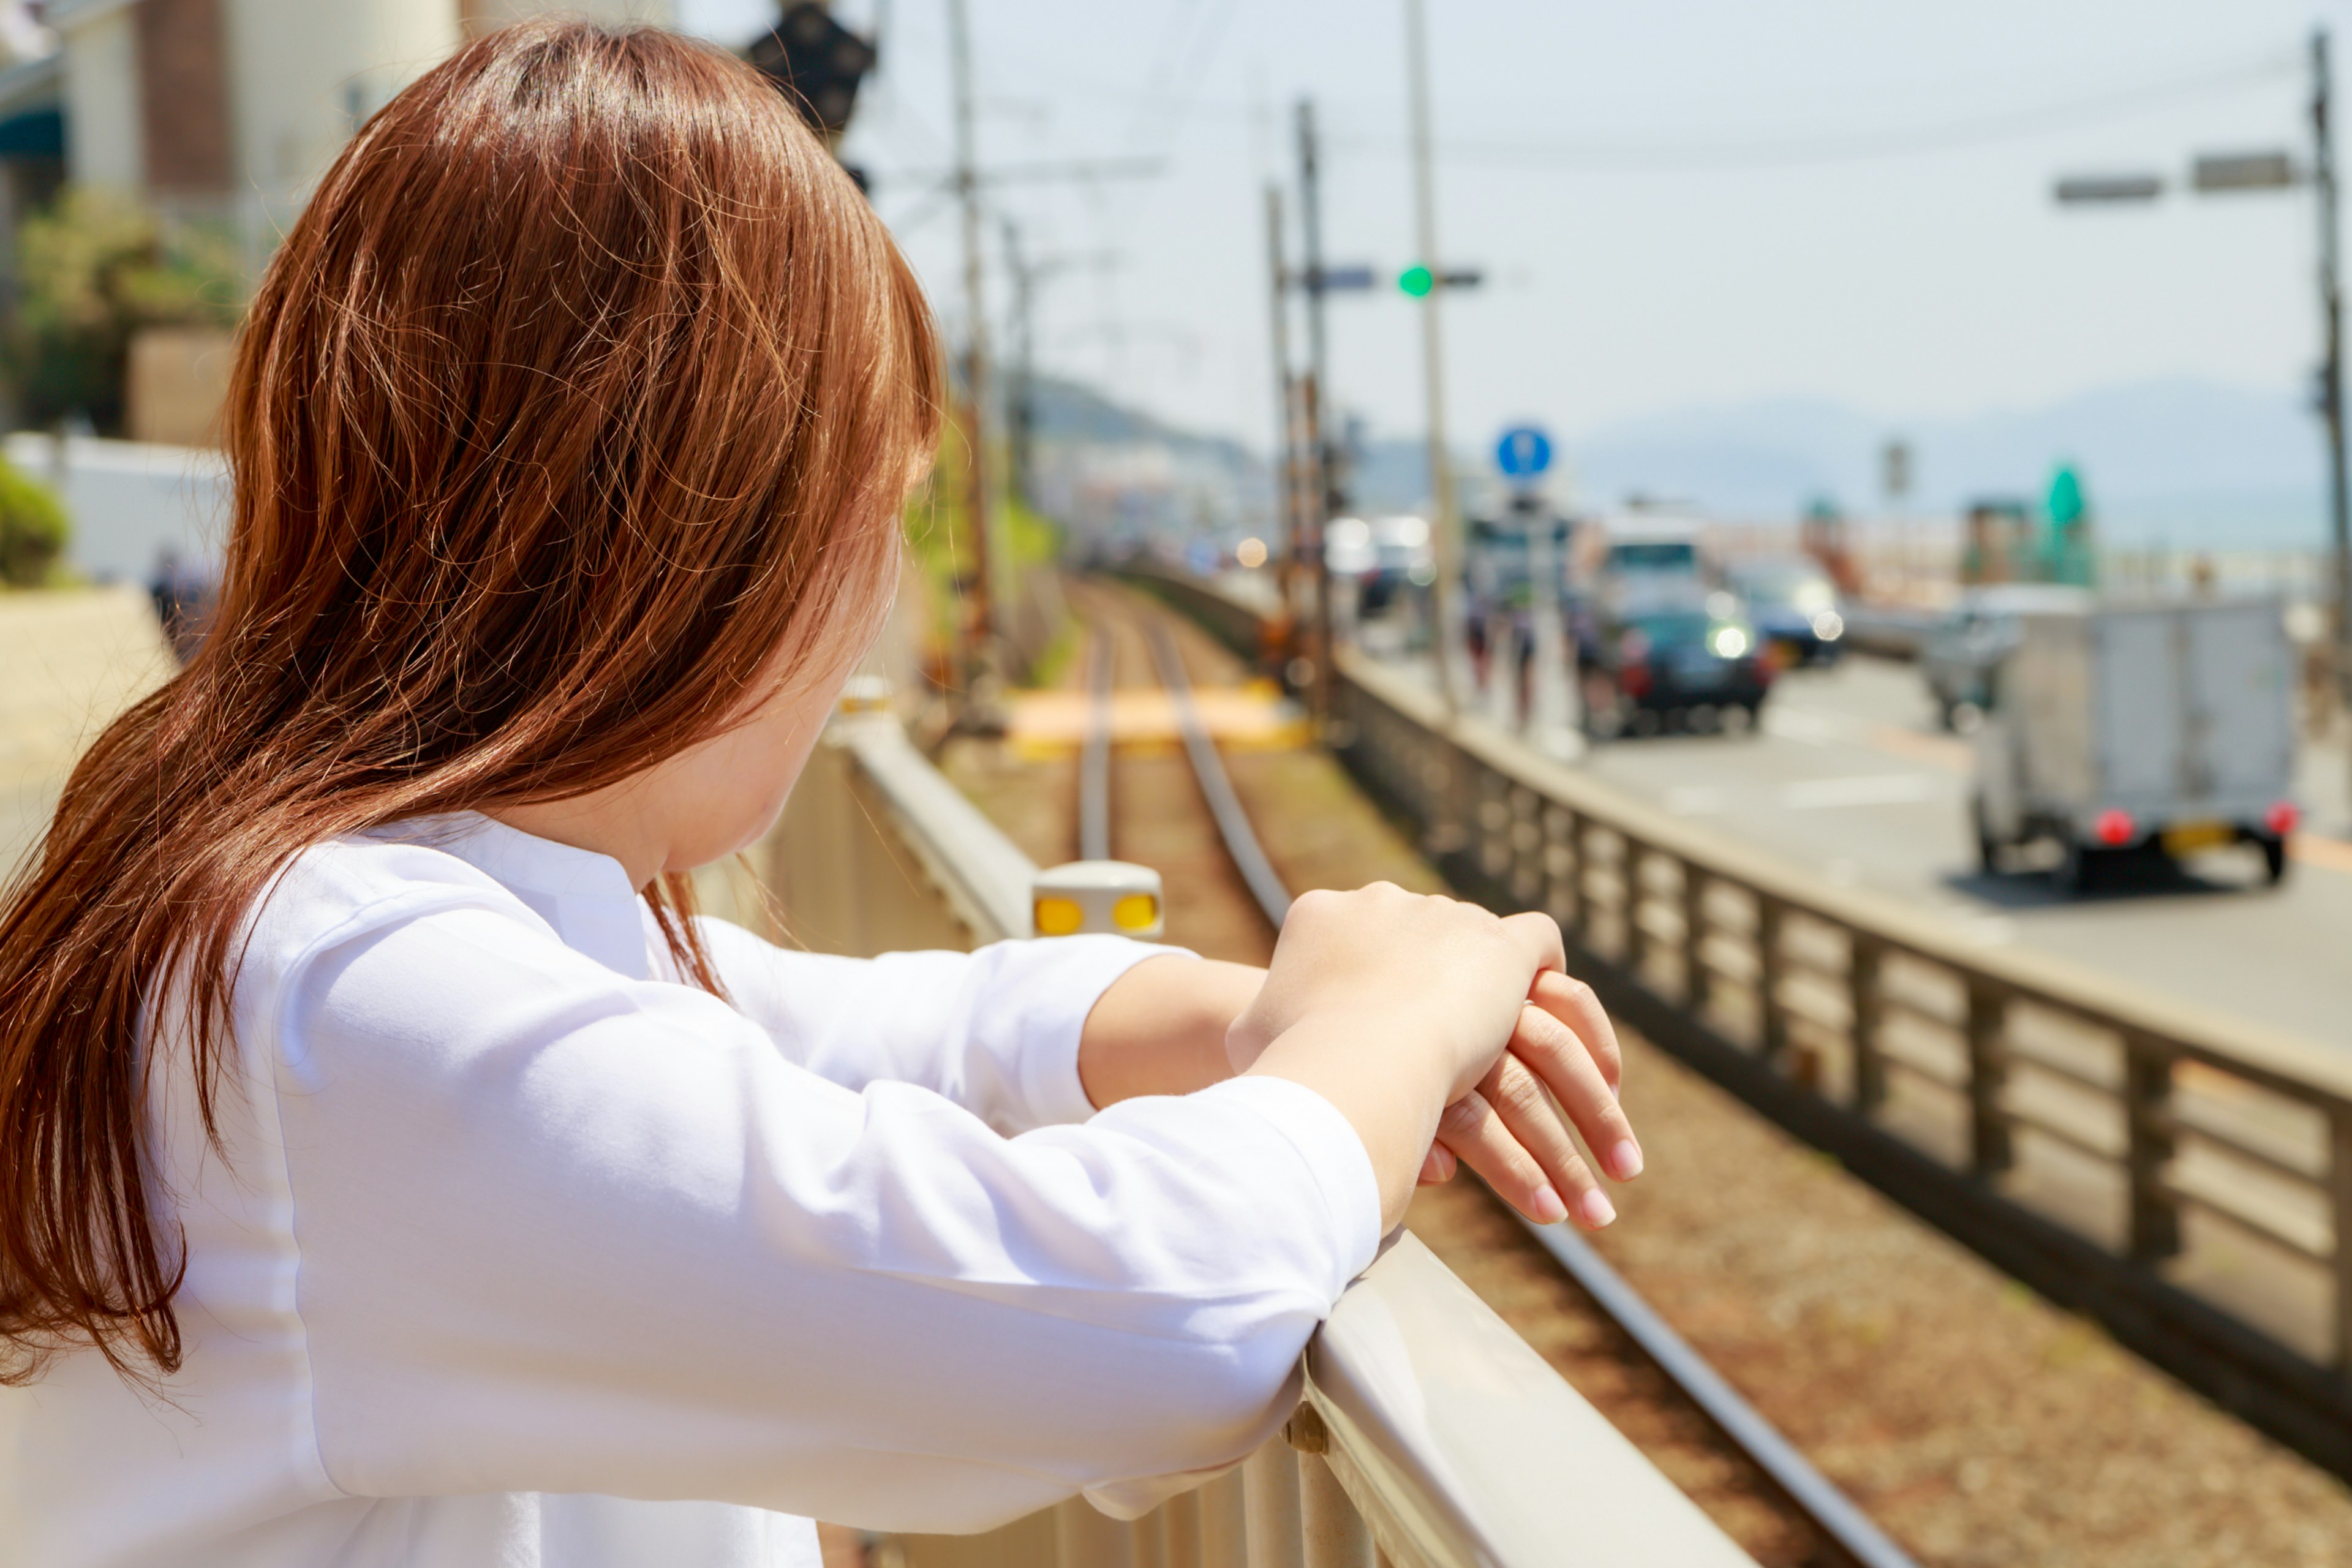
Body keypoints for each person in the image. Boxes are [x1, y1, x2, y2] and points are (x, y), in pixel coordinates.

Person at [0, 23, 1640, 1568]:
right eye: (878, 516)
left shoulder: (345, 912)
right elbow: (1155, 1321)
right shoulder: (341, 1000)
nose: (869, 597)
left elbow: (848, 1040)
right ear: (714, 538)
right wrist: (1392, 1022)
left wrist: (1243, 1019)